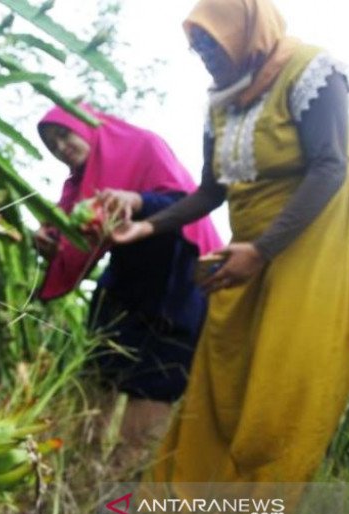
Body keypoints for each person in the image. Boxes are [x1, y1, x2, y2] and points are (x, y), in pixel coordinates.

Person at [112, 0, 349, 483]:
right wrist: (149, 225)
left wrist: (263, 251)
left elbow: (330, 165)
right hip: (251, 236)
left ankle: (257, 505)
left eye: (212, 40)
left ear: (244, 29)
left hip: (314, 232)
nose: (204, 53)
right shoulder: (222, 100)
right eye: (197, 45)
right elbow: (212, 190)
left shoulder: (311, 70)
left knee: (284, 364)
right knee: (226, 360)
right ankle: (189, 499)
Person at [34, 104, 223, 477]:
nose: (60, 147)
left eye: (64, 134)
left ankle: (115, 489)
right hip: (126, 279)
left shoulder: (144, 146)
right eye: (52, 144)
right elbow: (62, 227)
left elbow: (185, 202)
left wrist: (136, 201)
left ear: (86, 125)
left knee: (153, 384)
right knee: (97, 370)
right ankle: (76, 479)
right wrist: (47, 236)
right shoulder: (79, 184)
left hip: (179, 275)